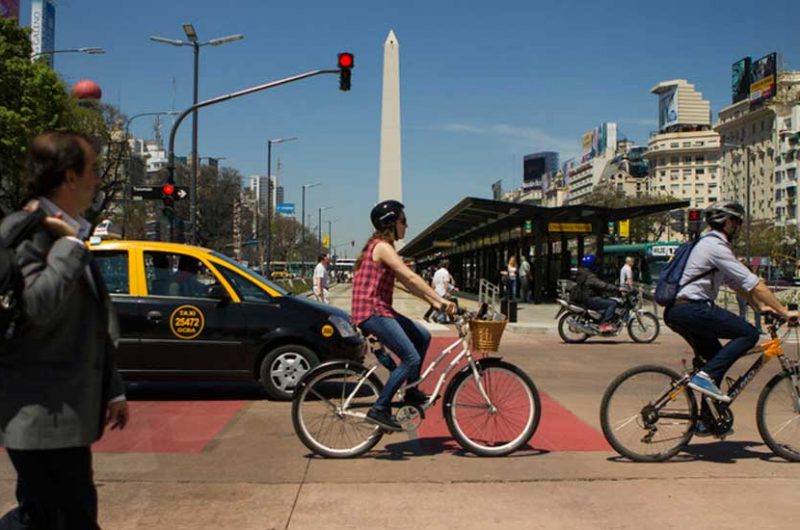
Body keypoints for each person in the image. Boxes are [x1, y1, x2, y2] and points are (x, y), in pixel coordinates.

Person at [0, 132, 129, 529]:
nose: (97, 181)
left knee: (51, 516)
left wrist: (113, 388)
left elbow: (91, 324)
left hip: (64, 416)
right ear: (69, 177)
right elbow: (37, 306)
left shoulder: (69, 230)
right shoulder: (27, 232)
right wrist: (70, 248)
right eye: (91, 171)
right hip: (40, 417)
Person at [664, 201, 797, 405]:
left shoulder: (708, 244)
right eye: (737, 223)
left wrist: (759, 306)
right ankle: (704, 376)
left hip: (680, 311)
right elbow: (754, 283)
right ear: (727, 222)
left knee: (717, 360)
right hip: (692, 308)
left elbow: (734, 283)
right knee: (749, 333)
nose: (738, 228)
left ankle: (705, 418)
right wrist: (784, 311)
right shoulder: (715, 246)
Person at [351, 200, 456, 432]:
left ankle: (411, 392)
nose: (406, 227)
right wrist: (440, 301)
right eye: (403, 221)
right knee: (411, 358)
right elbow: (409, 277)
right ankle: (379, 408)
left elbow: (411, 286)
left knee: (423, 336)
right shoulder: (382, 247)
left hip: (380, 309)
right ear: (390, 223)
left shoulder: (383, 247)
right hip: (372, 311)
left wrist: (435, 302)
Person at [573, 255, 624, 333]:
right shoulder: (590, 276)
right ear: (591, 265)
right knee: (612, 304)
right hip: (590, 298)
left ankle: (600, 320)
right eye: (595, 264)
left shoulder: (583, 273)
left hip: (587, 297)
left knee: (607, 300)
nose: (597, 266)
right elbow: (601, 285)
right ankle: (604, 324)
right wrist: (616, 288)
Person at [736, 258, 764, 334]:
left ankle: (758, 328)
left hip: (751, 294)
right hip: (742, 294)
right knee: (743, 312)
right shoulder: (737, 272)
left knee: (757, 310)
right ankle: (742, 329)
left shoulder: (750, 272)